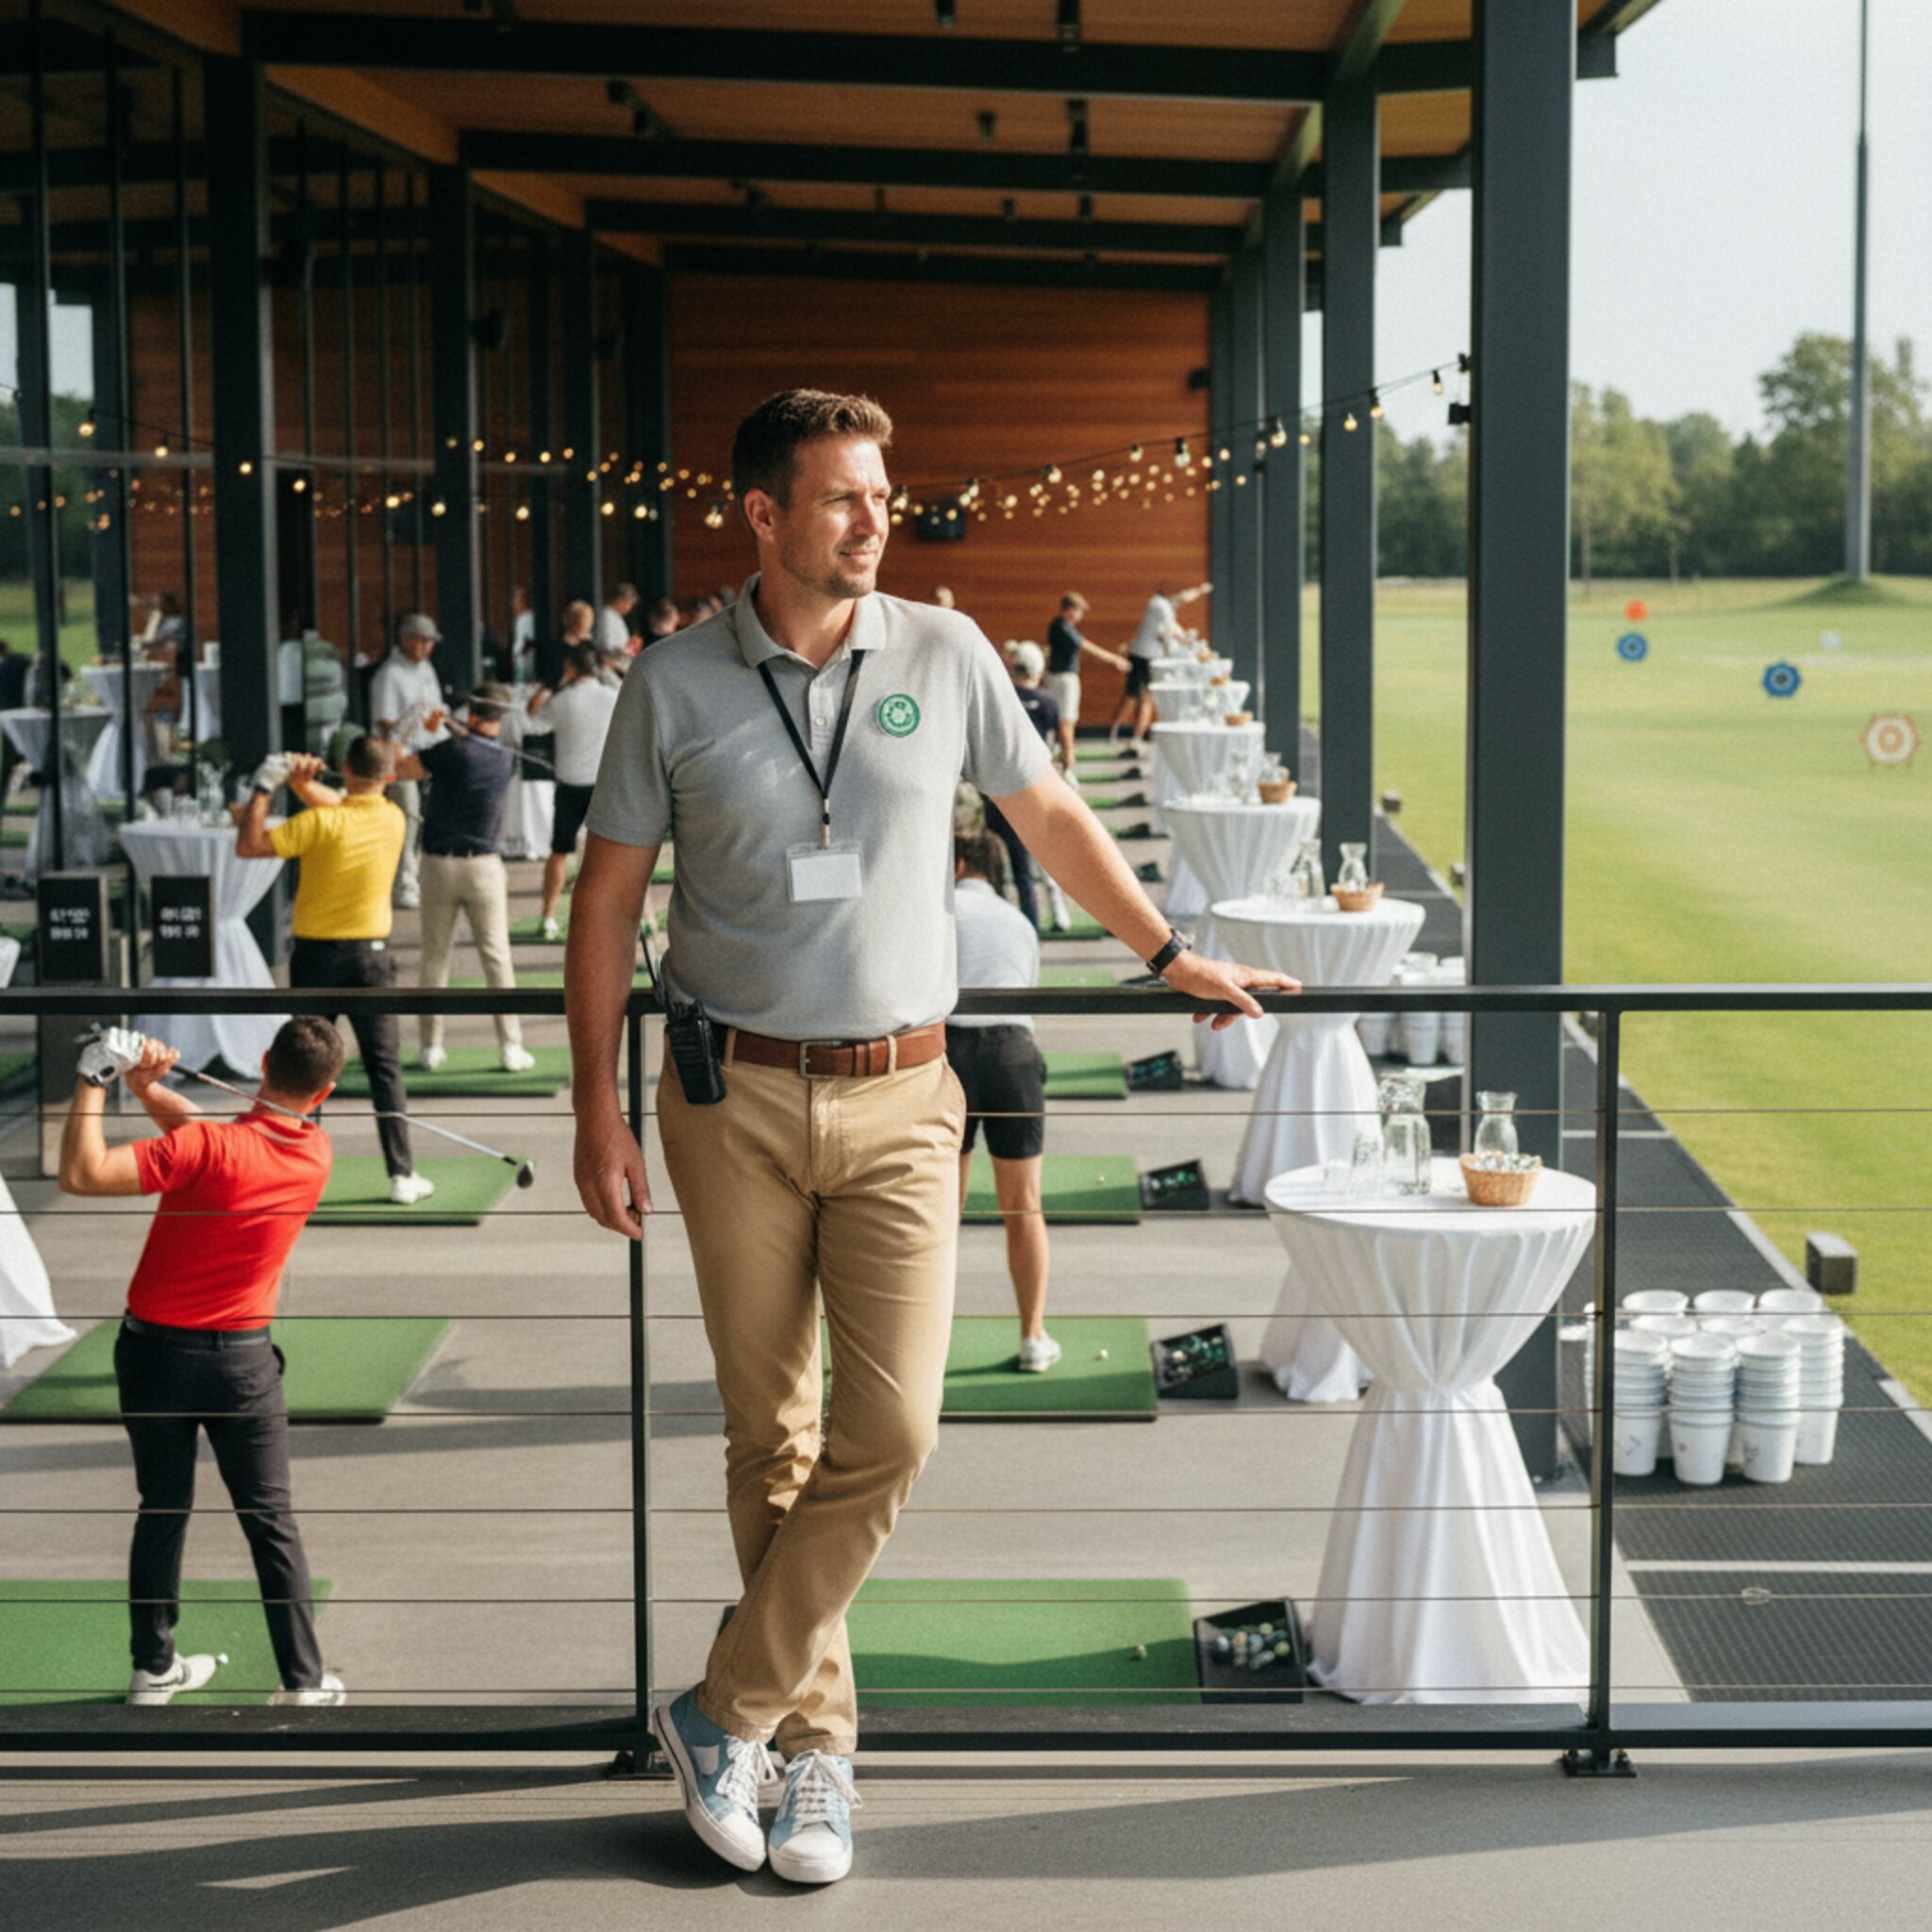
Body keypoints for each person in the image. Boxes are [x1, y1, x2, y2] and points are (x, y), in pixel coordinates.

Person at [566, 387, 1294, 1886]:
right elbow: (606, 903)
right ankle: (815, 1758)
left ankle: (722, 1712)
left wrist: (1168, 954)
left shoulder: (948, 652)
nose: (873, 517)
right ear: (762, 515)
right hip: (729, 1098)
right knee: (769, 1438)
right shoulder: (674, 684)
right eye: (840, 496)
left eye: (879, 492)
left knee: (892, 1430)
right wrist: (588, 1108)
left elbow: (1051, 818)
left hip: (908, 1097)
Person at [58, 1019, 351, 1708]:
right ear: (327, 1091)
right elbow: (213, 1139)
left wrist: (95, 1077)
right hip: (242, 1369)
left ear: (262, 1061)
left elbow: (81, 1172)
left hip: (154, 1356)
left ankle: (152, 1669)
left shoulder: (206, 1148)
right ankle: (305, 1683)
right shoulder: (315, 1153)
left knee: (161, 1509)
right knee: (270, 1519)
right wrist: (150, 1088)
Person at [235, 737, 433, 1206]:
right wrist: (303, 783)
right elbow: (351, 802)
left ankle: (289, 1177)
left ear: (344, 769)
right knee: (384, 1069)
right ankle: (402, 1175)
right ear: (388, 779)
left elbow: (249, 844)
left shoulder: (318, 821)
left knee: (302, 1070)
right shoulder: (393, 817)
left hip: (315, 959)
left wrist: (268, 784)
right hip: (371, 960)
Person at [946, 829, 1057, 1371]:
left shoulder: (939, 911)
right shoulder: (1019, 922)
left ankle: (927, 1338)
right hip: (1013, 1052)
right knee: (1024, 1206)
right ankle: (1033, 1336)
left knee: (944, 1210)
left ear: (962, 862)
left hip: (950, 1051)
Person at [398, 684, 535, 1074]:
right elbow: (475, 744)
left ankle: (430, 1047)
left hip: (439, 866)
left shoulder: (448, 751)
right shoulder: (504, 757)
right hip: (484, 869)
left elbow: (400, 766)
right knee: (496, 957)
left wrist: (423, 729)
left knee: (434, 957)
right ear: (499, 718)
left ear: (472, 712)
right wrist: (451, 728)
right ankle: (511, 1046)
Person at [528, 643, 619, 941]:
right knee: (608, 854)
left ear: (571, 668)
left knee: (559, 852)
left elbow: (533, 716)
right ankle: (610, 917)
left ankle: (548, 916)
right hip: (602, 785)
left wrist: (549, 686)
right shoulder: (611, 695)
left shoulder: (561, 700)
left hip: (569, 785)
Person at [982, 641, 1070, 934]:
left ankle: (997, 923)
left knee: (998, 863)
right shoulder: (1048, 702)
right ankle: (1039, 922)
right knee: (1035, 863)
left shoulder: (1002, 698)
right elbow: (1062, 744)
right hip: (1033, 788)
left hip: (996, 788)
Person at [368, 612, 448, 911]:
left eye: (430, 642)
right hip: (398, 755)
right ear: (406, 639)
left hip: (428, 751)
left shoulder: (426, 669)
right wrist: (412, 726)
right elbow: (386, 723)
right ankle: (403, 883)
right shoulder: (389, 674)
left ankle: (418, 875)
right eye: (423, 641)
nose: (427, 647)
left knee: (427, 815)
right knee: (408, 815)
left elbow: (435, 710)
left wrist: (437, 722)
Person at [1043, 592, 1128, 773]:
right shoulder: (1062, 626)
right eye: (1079, 611)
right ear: (1071, 610)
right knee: (1067, 720)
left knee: (1065, 720)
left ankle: (1062, 759)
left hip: (1059, 677)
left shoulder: (1062, 626)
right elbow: (1086, 646)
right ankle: (1068, 761)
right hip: (1064, 679)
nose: (1081, 616)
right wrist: (1114, 659)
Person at [1110, 585, 1179, 746]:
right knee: (1133, 698)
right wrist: (1185, 639)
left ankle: (1136, 737)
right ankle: (1117, 734)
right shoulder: (1160, 605)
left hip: (1149, 657)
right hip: (1142, 657)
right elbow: (1172, 629)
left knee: (1146, 699)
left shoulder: (1157, 607)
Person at [597, 583, 639, 657]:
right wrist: (626, 650)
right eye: (628, 602)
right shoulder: (606, 615)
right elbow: (608, 645)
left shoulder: (617, 616)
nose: (629, 607)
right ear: (620, 599)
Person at [509, 585, 537, 683]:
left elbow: (526, 641)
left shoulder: (526, 618)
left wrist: (520, 653)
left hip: (525, 662)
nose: (514, 604)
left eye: (517, 600)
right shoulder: (523, 618)